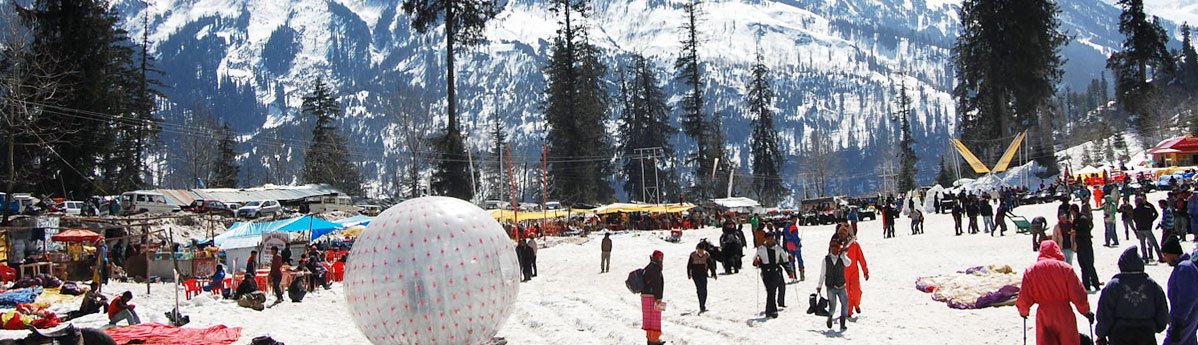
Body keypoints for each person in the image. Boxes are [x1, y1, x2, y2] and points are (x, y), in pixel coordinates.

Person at [1016, 241, 1092, 345]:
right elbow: (1078, 294)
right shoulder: (1066, 268)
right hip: (1064, 313)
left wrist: (1023, 311)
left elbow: (1024, 296)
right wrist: (1085, 311)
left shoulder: (1031, 271)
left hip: (1044, 315)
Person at [1095, 246, 1168, 345]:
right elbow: (1162, 312)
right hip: (1146, 334)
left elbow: (1105, 313)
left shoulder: (1113, 286)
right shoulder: (1152, 285)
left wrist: (1101, 334)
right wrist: (1156, 327)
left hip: (1119, 335)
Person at [1162, 236, 1198, 345]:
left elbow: (1188, 298)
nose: (1164, 259)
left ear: (1172, 254)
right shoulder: (1185, 266)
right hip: (1189, 319)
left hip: (1184, 321)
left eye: (1165, 255)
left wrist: (1177, 323)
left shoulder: (1184, 268)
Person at [817, 240, 851, 331]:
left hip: (841, 286)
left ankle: (842, 322)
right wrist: (819, 286)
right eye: (832, 247)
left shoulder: (842, 258)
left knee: (845, 304)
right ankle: (830, 316)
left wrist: (843, 255)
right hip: (831, 286)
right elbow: (822, 274)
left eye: (836, 247)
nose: (834, 249)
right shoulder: (826, 260)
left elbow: (848, 263)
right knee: (833, 306)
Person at [754, 235, 788, 318]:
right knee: (770, 290)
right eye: (768, 239)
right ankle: (772, 310)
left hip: (775, 271)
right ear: (765, 239)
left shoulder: (778, 248)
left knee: (772, 290)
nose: (770, 241)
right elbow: (755, 260)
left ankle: (769, 310)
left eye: (771, 239)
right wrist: (757, 261)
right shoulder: (761, 249)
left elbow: (784, 260)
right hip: (766, 272)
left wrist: (789, 271)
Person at [842, 226, 869, 317]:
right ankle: (849, 311)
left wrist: (865, 271)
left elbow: (861, 258)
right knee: (847, 293)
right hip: (844, 273)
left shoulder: (855, 245)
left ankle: (856, 304)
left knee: (856, 290)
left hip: (854, 272)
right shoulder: (840, 246)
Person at [1074, 205, 1102, 291]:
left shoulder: (1083, 219)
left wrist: (1076, 233)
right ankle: (1086, 285)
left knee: (1090, 265)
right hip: (1080, 246)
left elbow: (1087, 232)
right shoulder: (1076, 220)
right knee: (1083, 266)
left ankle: (1095, 284)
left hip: (1086, 245)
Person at [642, 250, 665, 345]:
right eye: (660, 257)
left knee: (648, 319)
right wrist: (659, 297)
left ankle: (650, 338)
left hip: (645, 296)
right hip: (653, 296)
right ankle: (654, 340)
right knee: (655, 319)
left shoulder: (649, 267)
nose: (662, 259)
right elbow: (657, 283)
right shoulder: (655, 268)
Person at [687, 242, 717, 313]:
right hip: (695, 275)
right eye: (700, 250)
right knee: (699, 289)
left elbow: (710, 265)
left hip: (703, 274)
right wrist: (689, 274)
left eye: (702, 250)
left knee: (704, 290)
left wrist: (714, 274)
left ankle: (703, 303)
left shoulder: (706, 255)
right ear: (698, 249)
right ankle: (701, 305)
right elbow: (689, 265)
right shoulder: (693, 255)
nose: (701, 251)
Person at [1134, 197, 1162, 264]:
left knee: (1142, 244)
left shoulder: (1135, 210)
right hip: (1147, 228)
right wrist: (1150, 222)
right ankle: (1160, 256)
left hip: (1139, 229)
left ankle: (1145, 258)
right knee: (1154, 243)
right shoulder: (1148, 209)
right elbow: (1151, 217)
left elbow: (1134, 219)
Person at [782, 216, 804, 282]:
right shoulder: (793, 226)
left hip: (789, 244)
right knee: (799, 259)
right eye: (795, 219)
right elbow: (795, 236)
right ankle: (802, 275)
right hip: (795, 244)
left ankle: (794, 275)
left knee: (791, 260)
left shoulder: (785, 226)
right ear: (792, 219)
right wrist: (798, 243)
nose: (796, 220)